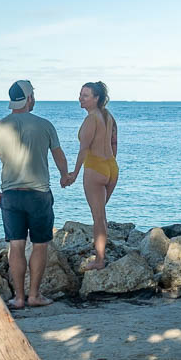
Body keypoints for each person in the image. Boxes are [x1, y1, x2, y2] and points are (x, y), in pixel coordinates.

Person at [0, 79, 71, 309]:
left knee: (16, 245)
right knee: (40, 245)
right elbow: (58, 156)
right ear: (29, 99)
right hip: (39, 195)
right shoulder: (45, 125)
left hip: (11, 195)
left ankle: (19, 298)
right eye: (33, 95)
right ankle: (35, 295)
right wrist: (65, 176)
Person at [63, 81, 118, 270]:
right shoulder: (108, 116)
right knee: (101, 216)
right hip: (111, 167)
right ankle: (100, 256)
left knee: (98, 218)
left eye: (85, 95)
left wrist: (74, 174)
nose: (80, 98)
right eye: (80, 94)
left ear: (96, 99)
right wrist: (110, 164)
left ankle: (99, 260)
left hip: (95, 168)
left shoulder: (91, 119)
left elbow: (84, 150)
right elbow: (114, 142)